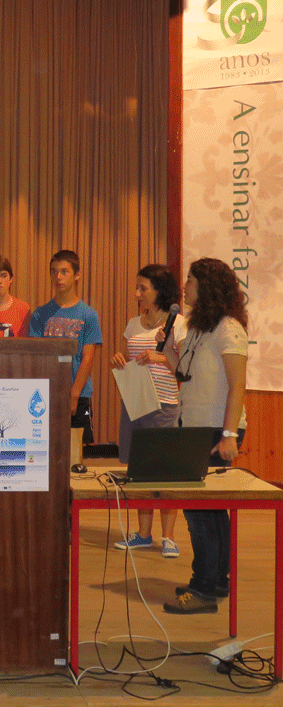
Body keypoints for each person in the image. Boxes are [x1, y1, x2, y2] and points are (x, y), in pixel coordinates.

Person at [162, 258, 248, 615]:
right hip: (195, 427)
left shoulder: (229, 328)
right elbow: (183, 374)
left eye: (191, 280)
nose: (184, 286)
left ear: (208, 286)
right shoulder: (197, 327)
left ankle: (203, 589)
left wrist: (228, 435)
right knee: (210, 512)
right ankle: (218, 580)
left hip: (217, 430)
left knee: (200, 512)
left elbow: (237, 385)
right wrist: (167, 347)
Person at [109, 264, 186, 559]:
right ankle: (143, 534)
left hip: (165, 405)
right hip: (135, 403)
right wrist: (119, 360)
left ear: (159, 290)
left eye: (143, 288)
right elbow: (128, 361)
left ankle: (169, 536)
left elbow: (183, 368)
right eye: (137, 287)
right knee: (138, 471)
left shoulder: (177, 324)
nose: (137, 293)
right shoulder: (133, 323)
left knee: (165, 472)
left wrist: (160, 356)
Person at [28, 249, 102, 444]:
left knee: (77, 450)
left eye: (64, 271)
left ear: (77, 275)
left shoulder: (88, 314)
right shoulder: (40, 314)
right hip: (46, 393)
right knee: (47, 448)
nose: (57, 277)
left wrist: (74, 393)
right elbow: (35, 356)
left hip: (79, 393)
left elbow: (88, 357)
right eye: (53, 271)